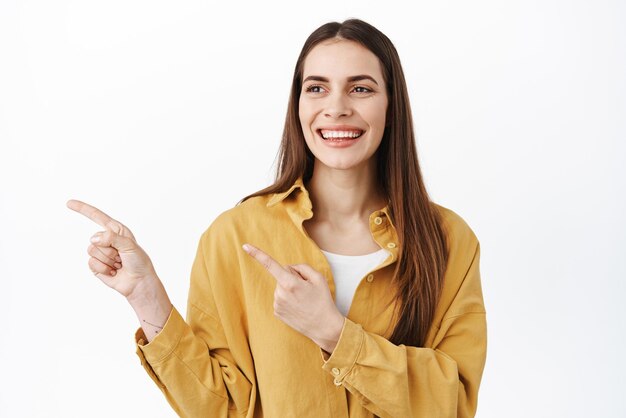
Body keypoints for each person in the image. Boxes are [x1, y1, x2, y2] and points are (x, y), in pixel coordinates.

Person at [67, 18, 487, 418]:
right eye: (317, 88)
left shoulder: (448, 239)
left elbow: (452, 404)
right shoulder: (235, 235)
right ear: (298, 105)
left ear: (392, 105)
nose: (336, 108)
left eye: (360, 88)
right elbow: (221, 408)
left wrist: (333, 333)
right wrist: (146, 297)